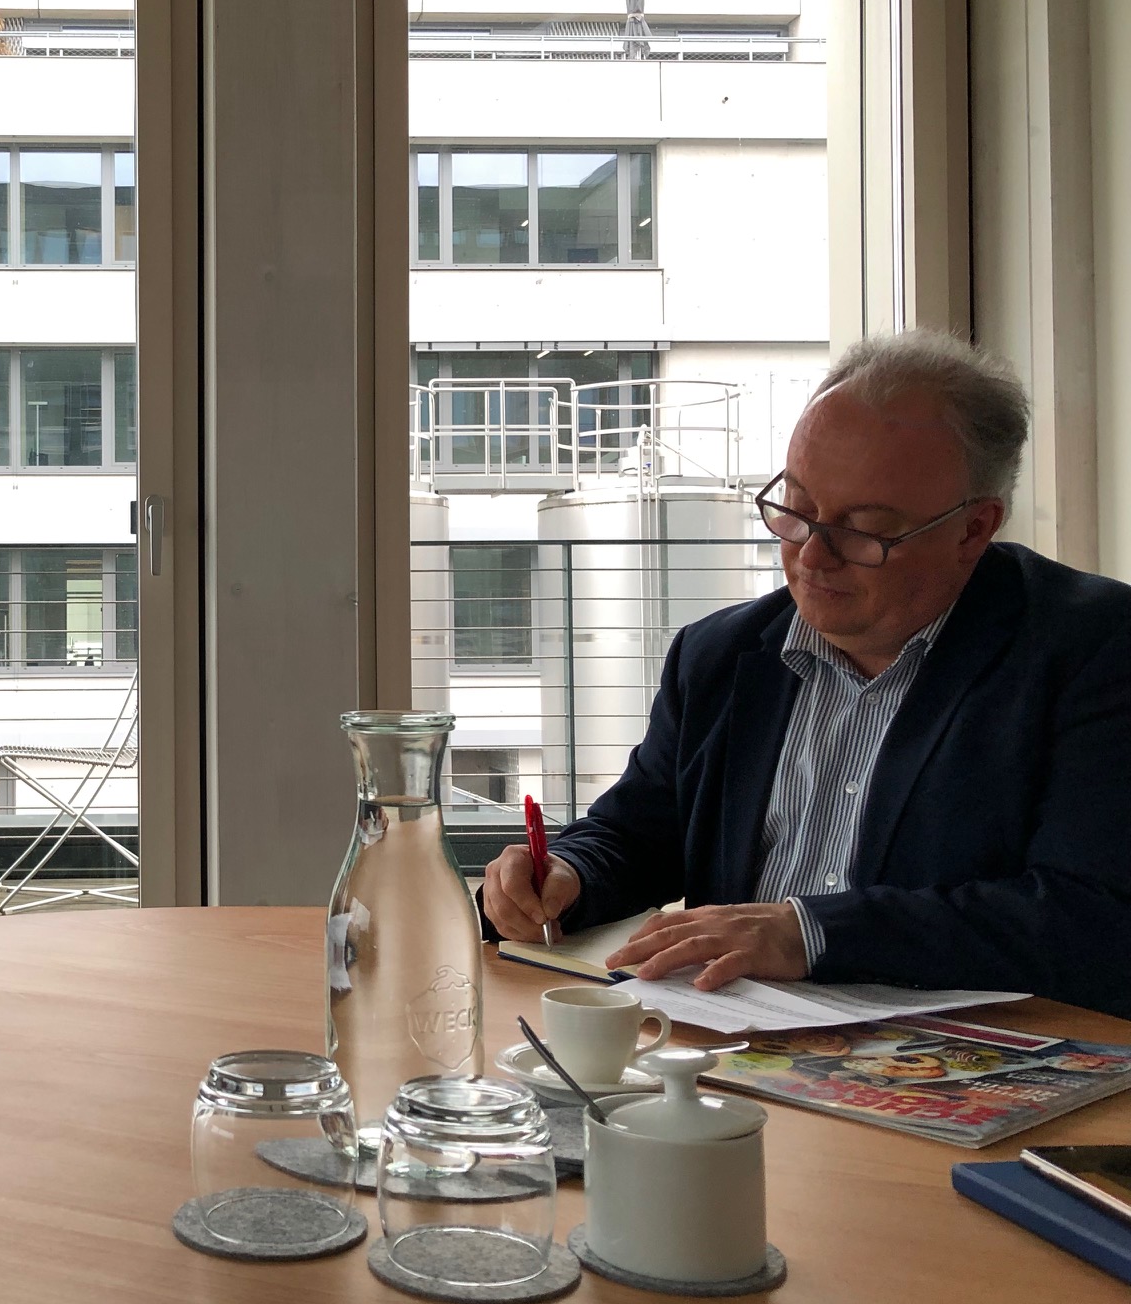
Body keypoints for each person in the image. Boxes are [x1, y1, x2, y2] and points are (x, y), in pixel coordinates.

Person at [482, 329, 1131, 1019]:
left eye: (862, 529)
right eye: (795, 509)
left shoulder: (1094, 650)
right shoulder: (720, 654)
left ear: (974, 529)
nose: (811, 556)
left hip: (961, 1052)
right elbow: (639, 833)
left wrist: (810, 933)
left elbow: (1090, 914)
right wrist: (567, 872)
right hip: (727, 1044)